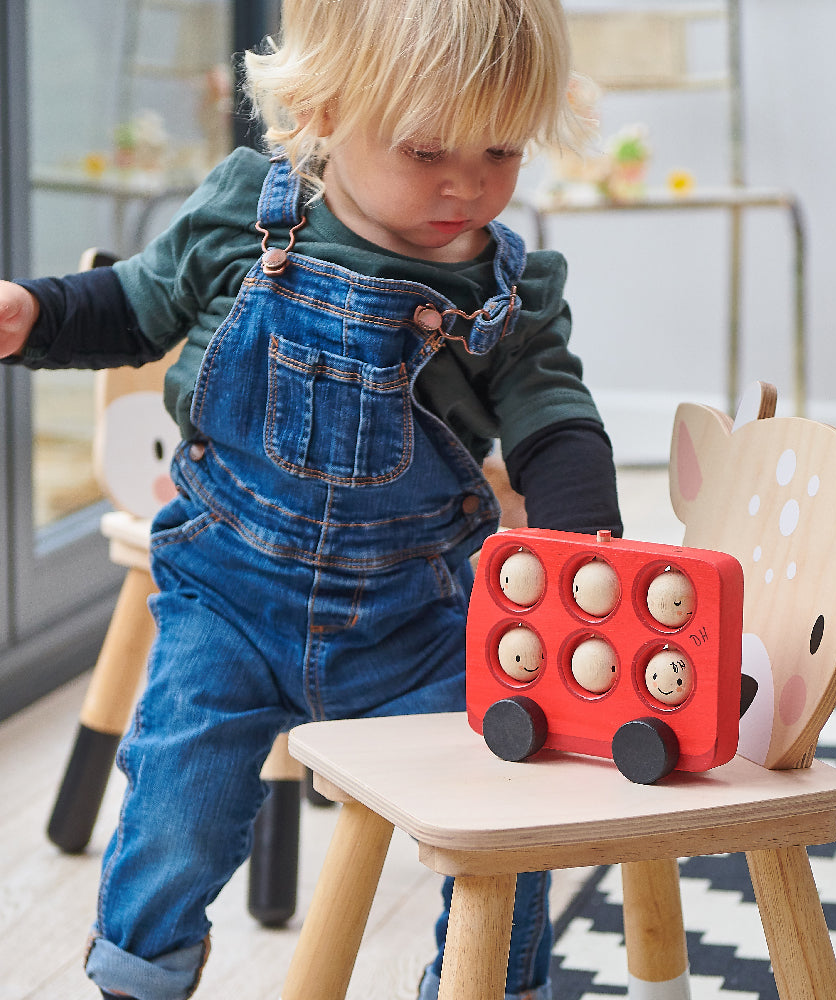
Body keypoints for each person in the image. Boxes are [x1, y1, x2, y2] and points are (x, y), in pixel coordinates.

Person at [0, 0, 622, 996]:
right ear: (328, 110)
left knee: (512, 797)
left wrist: (581, 532)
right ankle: (139, 975)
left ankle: (491, 983)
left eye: (501, 148)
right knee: (178, 808)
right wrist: (35, 313)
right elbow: (136, 304)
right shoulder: (249, 216)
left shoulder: (504, 290)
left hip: (413, 620)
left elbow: (552, 407)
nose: (467, 183)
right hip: (228, 601)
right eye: (426, 149)